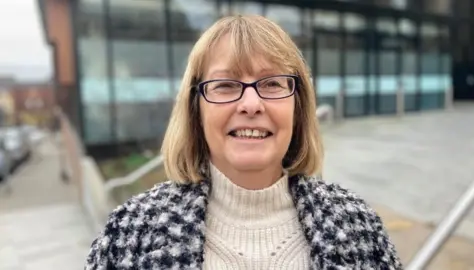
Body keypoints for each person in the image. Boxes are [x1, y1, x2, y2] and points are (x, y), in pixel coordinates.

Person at [85, 15, 403, 269]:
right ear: (196, 108)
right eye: (225, 85)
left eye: (272, 83)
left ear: (298, 106)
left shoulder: (359, 226)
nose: (251, 104)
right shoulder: (129, 235)